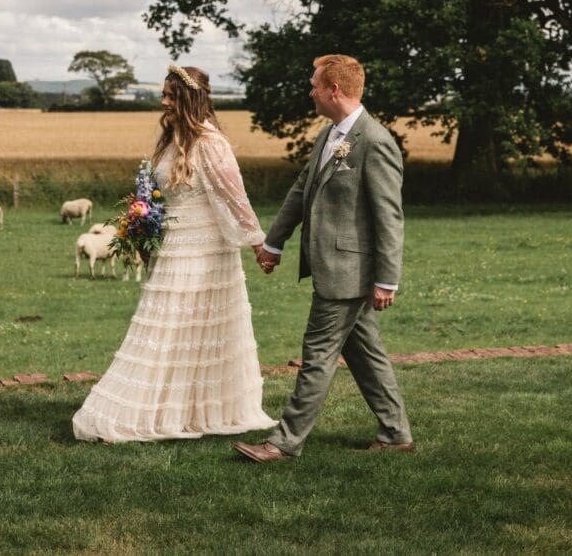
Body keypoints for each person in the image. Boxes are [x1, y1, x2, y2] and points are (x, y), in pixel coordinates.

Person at [72, 64, 277, 442]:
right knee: (166, 326)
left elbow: (235, 198)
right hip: (172, 244)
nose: (163, 101)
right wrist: (142, 222)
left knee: (192, 327)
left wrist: (258, 245)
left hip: (205, 250)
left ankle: (197, 411)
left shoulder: (212, 142)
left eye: (170, 95)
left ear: (189, 99)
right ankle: (169, 407)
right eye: (164, 94)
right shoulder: (171, 140)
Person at [233, 54, 413, 462]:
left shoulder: (376, 141)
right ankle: (396, 432)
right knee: (363, 352)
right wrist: (273, 243)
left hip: (349, 272)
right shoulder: (329, 135)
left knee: (316, 356)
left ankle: (283, 443)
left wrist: (387, 279)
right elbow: (301, 190)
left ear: (334, 89)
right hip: (332, 269)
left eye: (315, 85)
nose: (310, 92)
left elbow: (389, 216)